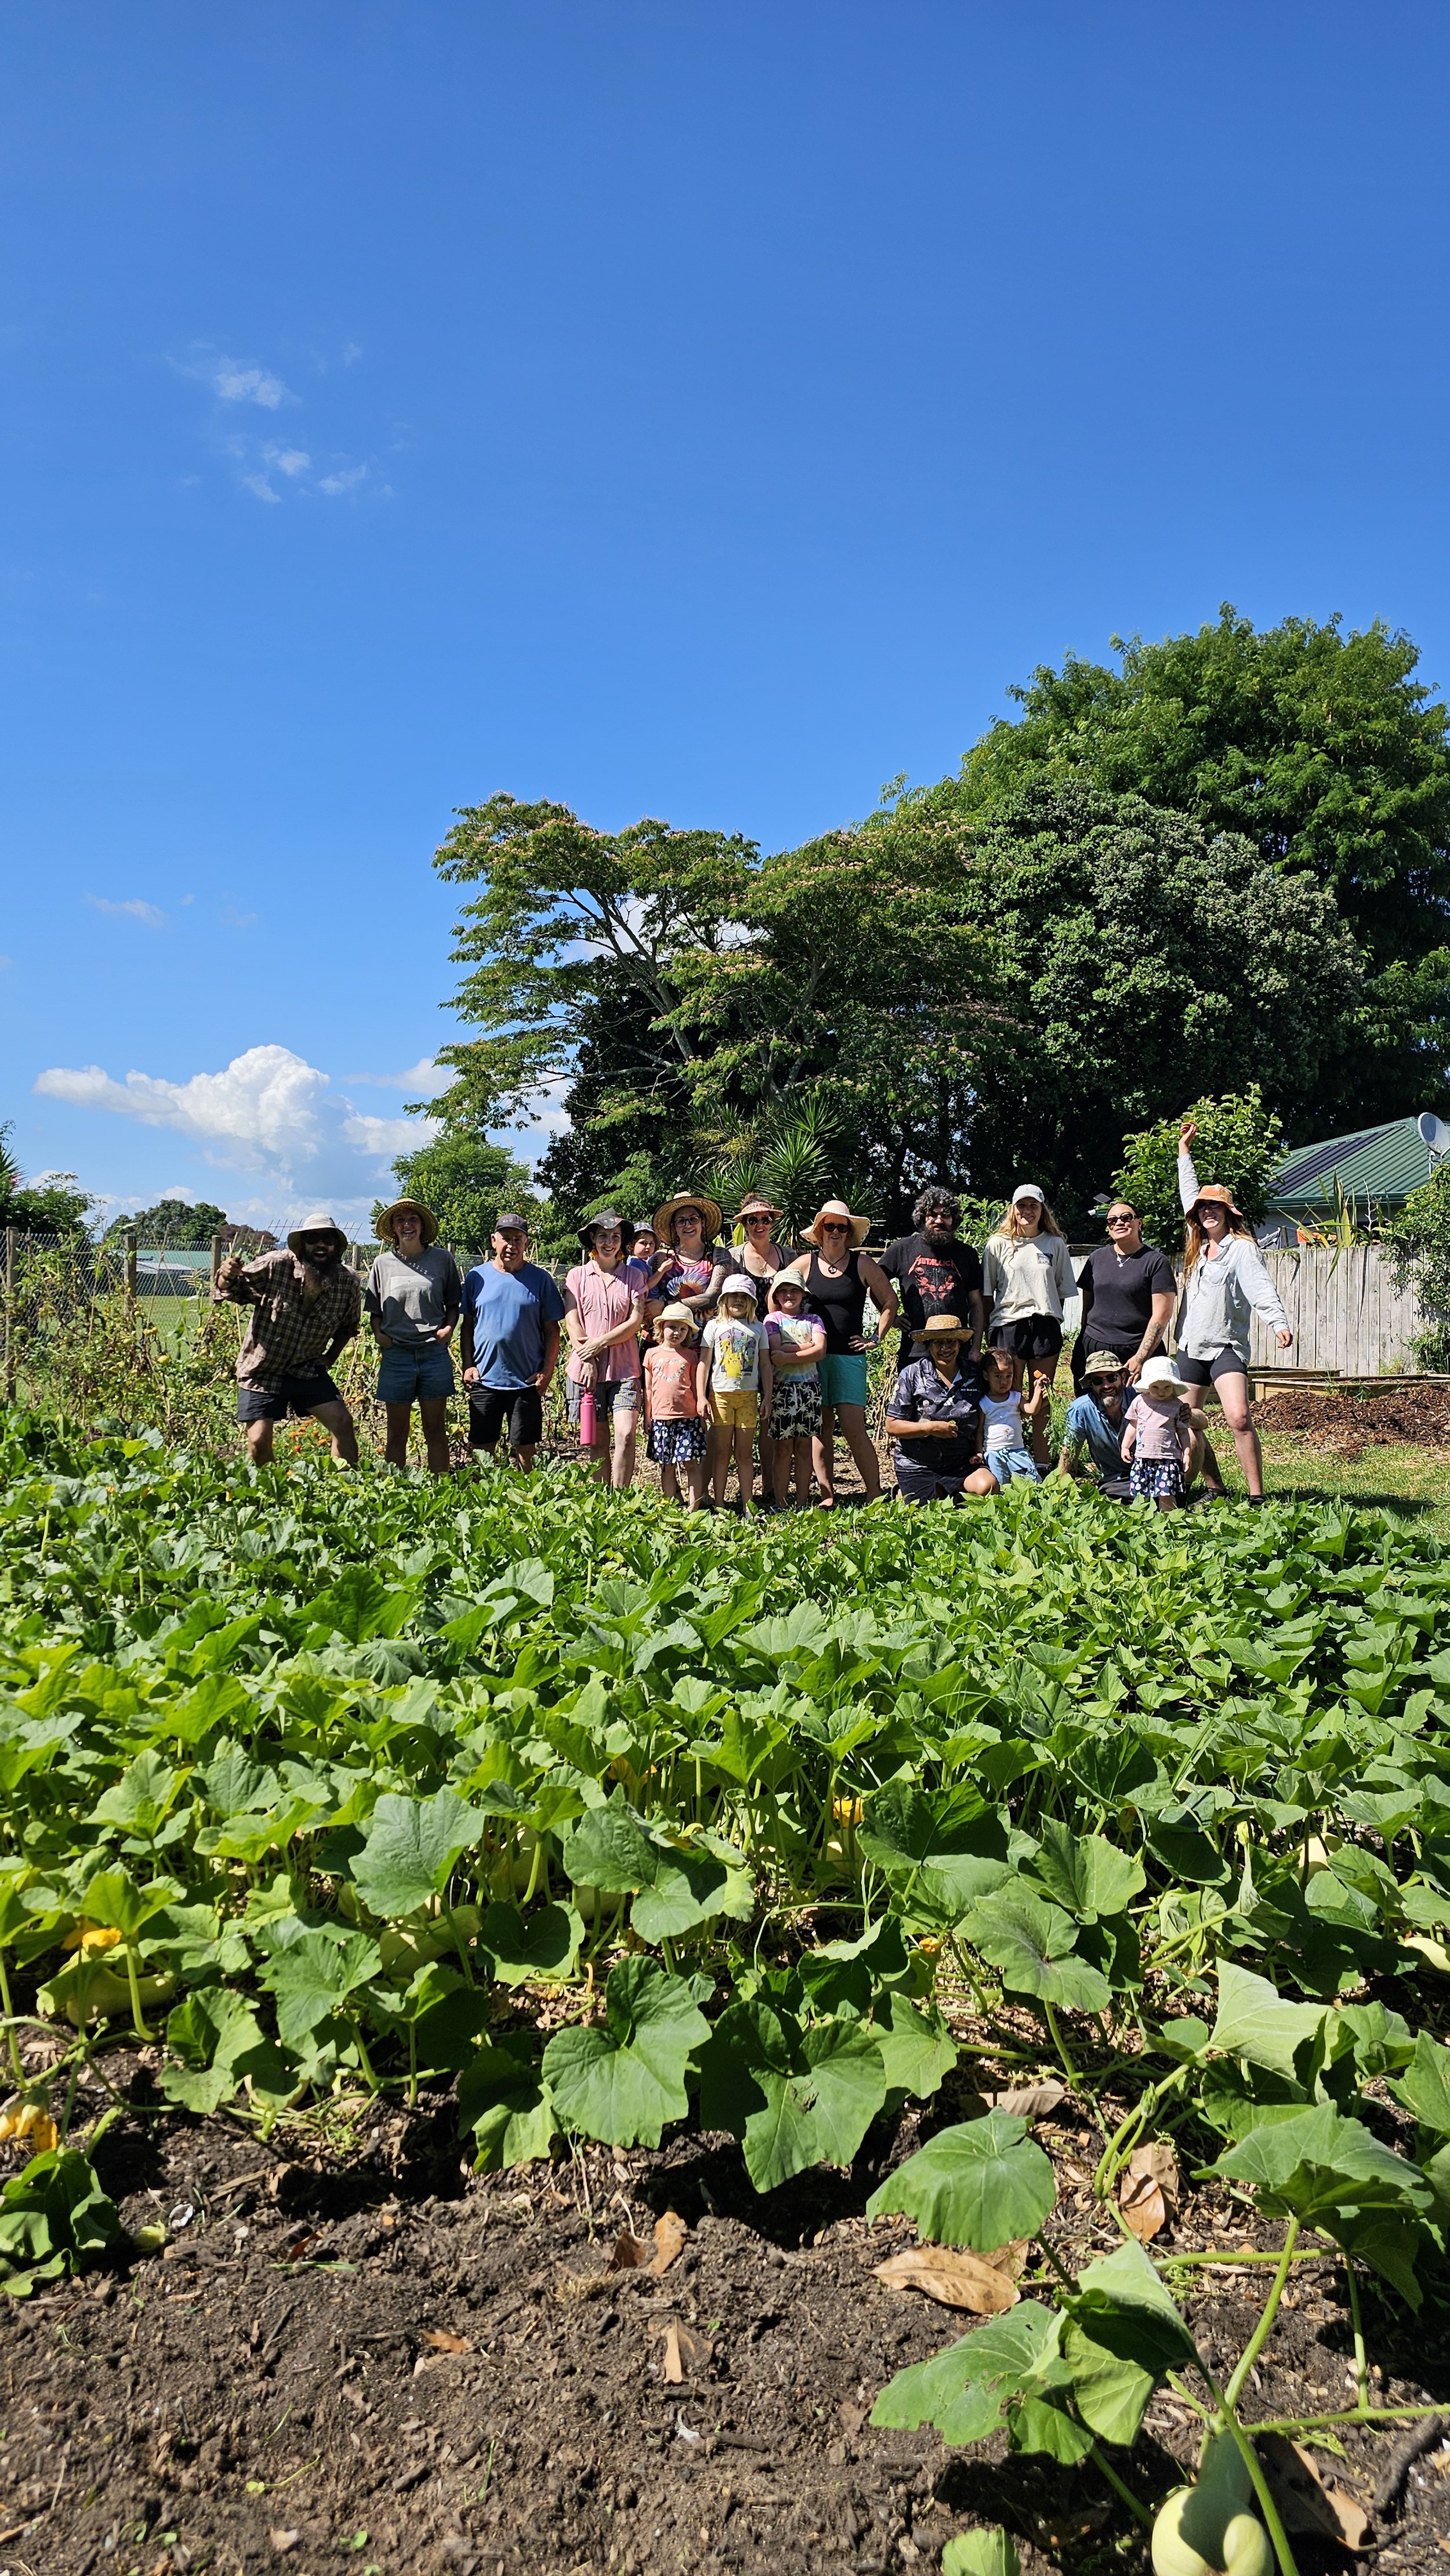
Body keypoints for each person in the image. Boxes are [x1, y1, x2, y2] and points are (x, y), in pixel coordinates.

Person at [1177, 1121, 1294, 1503]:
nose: (1208, 1211)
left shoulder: (1241, 1248)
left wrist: (1277, 1322)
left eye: (1216, 1206)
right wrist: (1184, 1153)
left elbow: (1260, 1287)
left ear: (1228, 1213)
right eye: (1204, 1207)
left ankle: (1257, 1497)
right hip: (1191, 1345)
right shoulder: (1196, 1246)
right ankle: (1214, 1488)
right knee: (1187, 1420)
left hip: (1226, 1346)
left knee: (1239, 1418)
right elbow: (1187, 1194)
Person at [214, 1211, 362, 1468]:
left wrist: (330, 1358)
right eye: (313, 1238)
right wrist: (226, 1275)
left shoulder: (347, 1282)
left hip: (306, 1369)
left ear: (335, 1246)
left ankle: (342, 1488)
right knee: (259, 1441)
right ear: (302, 1244)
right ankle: (275, 1494)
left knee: (343, 1423)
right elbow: (230, 1290)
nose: (320, 1244)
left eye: (327, 1238)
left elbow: (347, 1327)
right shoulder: (275, 1265)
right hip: (262, 1370)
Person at [800, 1200, 899, 1506]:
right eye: (829, 1226)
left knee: (855, 1428)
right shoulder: (805, 1264)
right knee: (821, 1428)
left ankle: (874, 1492)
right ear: (819, 1231)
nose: (835, 1232)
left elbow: (890, 1303)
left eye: (841, 1227)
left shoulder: (863, 1264)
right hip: (814, 1359)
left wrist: (875, 1337)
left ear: (849, 1232)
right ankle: (827, 1495)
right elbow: (776, 1298)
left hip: (849, 1358)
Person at [459, 1211, 566, 1472]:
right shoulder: (477, 1277)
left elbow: (553, 1331)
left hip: (525, 1380)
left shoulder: (541, 1280)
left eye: (518, 1239)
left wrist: (547, 1372)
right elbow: (467, 1327)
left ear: (526, 1243)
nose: (512, 1245)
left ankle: (526, 1500)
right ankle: (481, 1500)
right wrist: (468, 1365)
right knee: (482, 1449)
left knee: (526, 1449)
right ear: (494, 1241)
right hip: (485, 1378)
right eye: (506, 1238)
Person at [366, 1197, 462, 1475]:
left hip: (433, 1352)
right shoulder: (382, 1264)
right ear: (394, 1229)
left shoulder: (442, 1259)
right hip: (397, 1354)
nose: (407, 1225)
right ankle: (394, 1490)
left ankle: (440, 1489)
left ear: (421, 1227)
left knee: (436, 1428)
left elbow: (453, 1304)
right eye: (400, 1220)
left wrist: (449, 1328)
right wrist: (378, 1335)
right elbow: (375, 1310)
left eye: (413, 1220)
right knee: (397, 1432)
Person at [564, 1211, 645, 1489]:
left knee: (625, 1434)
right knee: (596, 1441)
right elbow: (573, 1321)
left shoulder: (633, 1276)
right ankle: (602, 1501)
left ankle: (620, 1497)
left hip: (624, 1368)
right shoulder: (577, 1276)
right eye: (602, 1237)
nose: (608, 1242)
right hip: (586, 1370)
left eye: (615, 1237)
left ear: (622, 1243)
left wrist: (600, 1343)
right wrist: (588, 1358)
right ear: (593, 1241)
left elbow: (635, 1322)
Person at [884, 1312, 998, 1506]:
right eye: (938, 1343)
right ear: (929, 1345)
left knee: (987, 1487)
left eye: (951, 1342)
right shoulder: (912, 1374)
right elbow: (892, 1426)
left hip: (962, 1462)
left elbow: (997, 1402)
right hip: (917, 1463)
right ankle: (909, 1491)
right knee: (921, 1509)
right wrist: (930, 1429)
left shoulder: (975, 1374)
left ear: (959, 1344)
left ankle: (948, 1491)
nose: (945, 1348)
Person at [878, 1189, 988, 1372]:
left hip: (958, 1349)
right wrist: (893, 1318)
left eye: (946, 1215)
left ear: (954, 1220)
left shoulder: (967, 1254)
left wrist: (976, 1347)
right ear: (922, 1217)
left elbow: (976, 1304)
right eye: (932, 1215)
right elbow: (873, 1285)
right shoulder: (902, 1249)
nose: (939, 1220)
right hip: (915, 1350)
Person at [982, 1186, 1078, 1396]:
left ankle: (1040, 1432)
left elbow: (1060, 1291)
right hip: (1008, 1326)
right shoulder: (997, 1244)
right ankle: (1011, 1431)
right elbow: (987, 1293)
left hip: (1044, 1326)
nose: (1028, 1211)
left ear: (1042, 1210)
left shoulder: (1055, 1244)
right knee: (1008, 1393)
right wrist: (990, 1330)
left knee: (1043, 1393)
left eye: (1033, 1205)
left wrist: (1051, 1319)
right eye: (1022, 1205)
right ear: (1013, 1210)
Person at [1072, 1200, 1176, 1387]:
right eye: (1112, 1220)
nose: (1119, 1223)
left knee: (1141, 1412)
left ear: (1139, 1223)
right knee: (1094, 1409)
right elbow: (1087, 1308)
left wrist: (1141, 1358)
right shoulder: (1096, 1258)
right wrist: (1082, 1341)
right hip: (1095, 1348)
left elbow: (1162, 1316)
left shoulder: (1156, 1262)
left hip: (1135, 1349)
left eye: (1126, 1217)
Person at [698, 1273, 774, 1513]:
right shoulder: (714, 1326)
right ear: (724, 1299)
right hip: (720, 1395)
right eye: (734, 1296)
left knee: (744, 1454)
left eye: (744, 1296)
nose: (738, 1300)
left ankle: (748, 1507)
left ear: (752, 1301)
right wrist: (702, 1396)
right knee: (721, 1453)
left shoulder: (758, 1328)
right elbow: (704, 1362)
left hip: (749, 1397)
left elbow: (765, 1365)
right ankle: (720, 1505)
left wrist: (768, 1396)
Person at [762, 1267, 826, 1508]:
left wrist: (788, 1354)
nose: (789, 1295)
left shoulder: (814, 1320)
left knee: (803, 1446)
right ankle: (780, 1501)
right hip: (782, 1390)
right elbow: (773, 1347)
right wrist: (806, 1346)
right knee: (782, 1448)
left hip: (809, 1390)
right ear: (776, 1296)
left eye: (794, 1291)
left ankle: (801, 1501)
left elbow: (820, 1351)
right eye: (784, 1291)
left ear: (803, 1294)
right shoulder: (772, 1320)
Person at [643, 1301, 709, 1508]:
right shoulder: (651, 1354)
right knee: (667, 1466)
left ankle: (693, 1507)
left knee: (691, 1463)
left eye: (683, 1329)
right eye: (672, 1327)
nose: (677, 1332)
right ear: (662, 1328)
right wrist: (648, 1417)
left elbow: (697, 1389)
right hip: (661, 1419)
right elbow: (648, 1389)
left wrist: (701, 1415)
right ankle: (672, 1505)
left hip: (687, 1419)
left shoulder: (690, 1356)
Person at [1122, 1355, 1195, 1510]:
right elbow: (1133, 1426)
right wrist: (1125, 1446)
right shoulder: (1139, 1402)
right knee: (1141, 1493)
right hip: (1143, 1457)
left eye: (1167, 1388)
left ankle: (1169, 1521)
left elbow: (1183, 1432)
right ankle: (1141, 1519)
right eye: (1156, 1387)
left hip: (1167, 1459)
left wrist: (1187, 1453)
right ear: (1148, 1385)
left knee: (1166, 1494)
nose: (1161, 1392)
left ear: (1174, 1386)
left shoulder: (1177, 1406)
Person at [647, 1195, 729, 1333]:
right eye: (681, 1221)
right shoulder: (660, 1259)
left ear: (702, 1222)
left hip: (706, 1343)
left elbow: (715, 1296)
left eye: (693, 1219)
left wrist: (665, 1306)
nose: (688, 1225)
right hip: (666, 1344)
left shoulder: (718, 1256)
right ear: (674, 1227)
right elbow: (645, 1294)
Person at [1058, 1348, 1133, 1497]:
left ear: (1123, 1377)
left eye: (1112, 1378)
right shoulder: (1081, 1409)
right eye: (1098, 1381)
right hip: (1114, 1481)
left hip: (1150, 1473)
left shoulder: (1141, 1399)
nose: (1106, 1386)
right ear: (1091, 1385)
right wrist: (1062, 1493)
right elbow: (1070, 1453)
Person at [978, 1344, 1047, 1488]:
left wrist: (1038, 1391)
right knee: (1000, 1486)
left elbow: (1032, 1409)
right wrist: (978, 1452)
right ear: (986, 1376)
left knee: (1030, 1484)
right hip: (994, 1453)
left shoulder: (1015, 1397)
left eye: (1008, 1376)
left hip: (1017, 1451)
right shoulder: (984, 1403)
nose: (1004, 1381)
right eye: (998, 1376)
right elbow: (979, 1431)